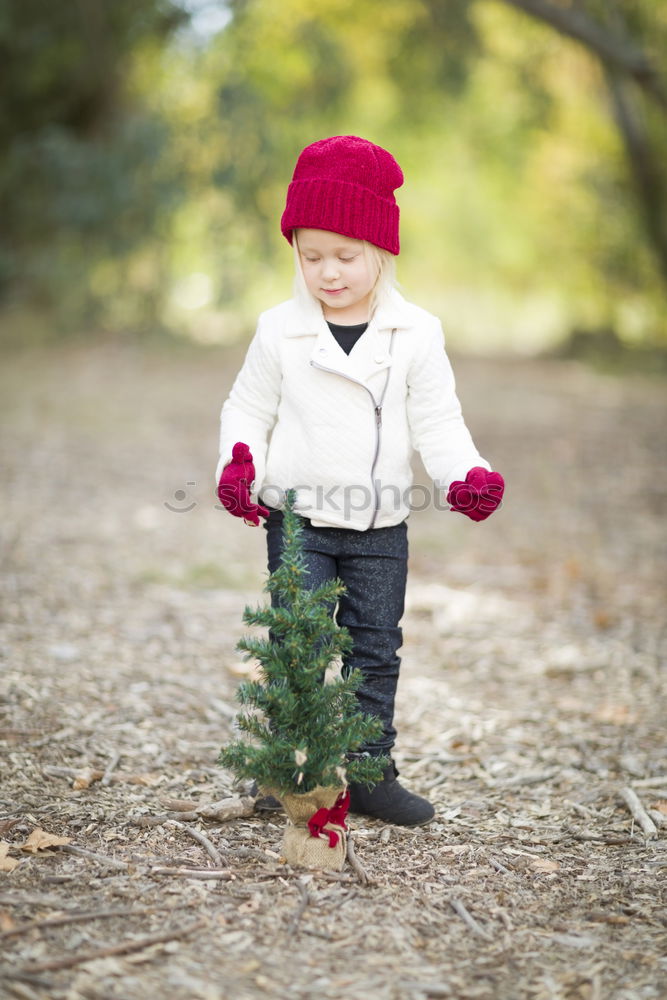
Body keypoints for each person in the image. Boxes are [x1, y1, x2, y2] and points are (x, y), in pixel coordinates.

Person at [216, 135, 504, 826]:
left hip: (378, 521)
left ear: (380, 250)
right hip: (298, 518)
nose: (327, 273)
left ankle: (370, 772)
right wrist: (238, 459)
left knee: (375, 645)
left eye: (345, 257)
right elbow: (247, 407)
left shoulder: (415, 333)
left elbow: (437, 420)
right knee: (298, 640)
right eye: (310, 256)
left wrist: (465, 473)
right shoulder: (278, 330)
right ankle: (289, 770)